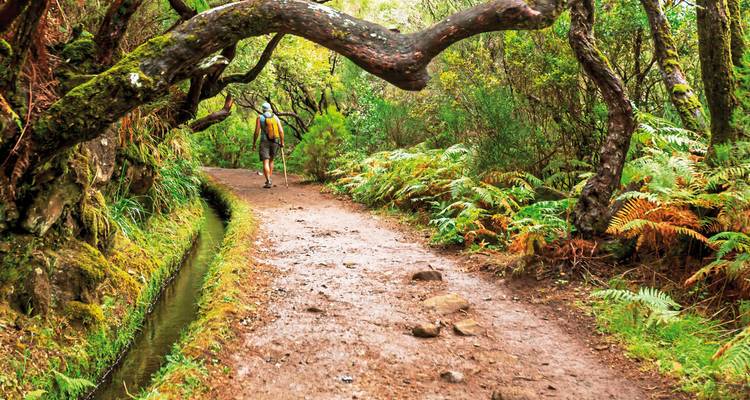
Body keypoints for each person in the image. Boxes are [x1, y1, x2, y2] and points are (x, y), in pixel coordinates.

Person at [252, 102, 285, 189]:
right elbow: (281, 131)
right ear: (270, 109)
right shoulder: (275, 117)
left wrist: (254, 143)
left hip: (264, 141)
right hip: (275, 141)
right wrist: (282, 142)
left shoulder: (260, 118)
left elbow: (256, 132)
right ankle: (269, 179)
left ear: (262, 109)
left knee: (265, 162)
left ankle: (268, 180)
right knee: (271, 161)